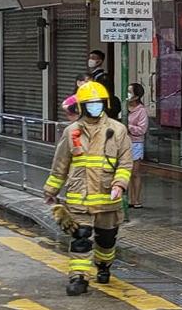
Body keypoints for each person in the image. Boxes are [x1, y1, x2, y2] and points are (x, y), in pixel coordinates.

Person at [43, 81, 133, 296]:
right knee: (81, 236)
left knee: (106, 239)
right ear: (82, 106)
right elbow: (61, 163)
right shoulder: (72, 131)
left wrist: (119, 185)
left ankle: (103, 266)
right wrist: (51, 190)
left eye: (98, 103)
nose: (95, 107)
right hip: (79, 197)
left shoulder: (117, 130)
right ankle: (79, 278)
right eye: (90, 104)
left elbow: (125, 163)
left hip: (107, 197)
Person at [125, 83, 149, 208]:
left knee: (135, 172)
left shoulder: (141, 110)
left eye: (130, 91)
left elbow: (142, 129)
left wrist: (128, 127)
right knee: (126, 173)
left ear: (137, 95)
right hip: (124, 143)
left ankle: (137, 199)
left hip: (135, 143)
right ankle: (129, 199)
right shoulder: (124, 107)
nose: (128, 94)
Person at [87, 50, 121, 119]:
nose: (90, 60)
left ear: (100, 61)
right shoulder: (92, 75)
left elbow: (105, 95)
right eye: (90, 58)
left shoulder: (103, 78)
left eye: (93, 58)